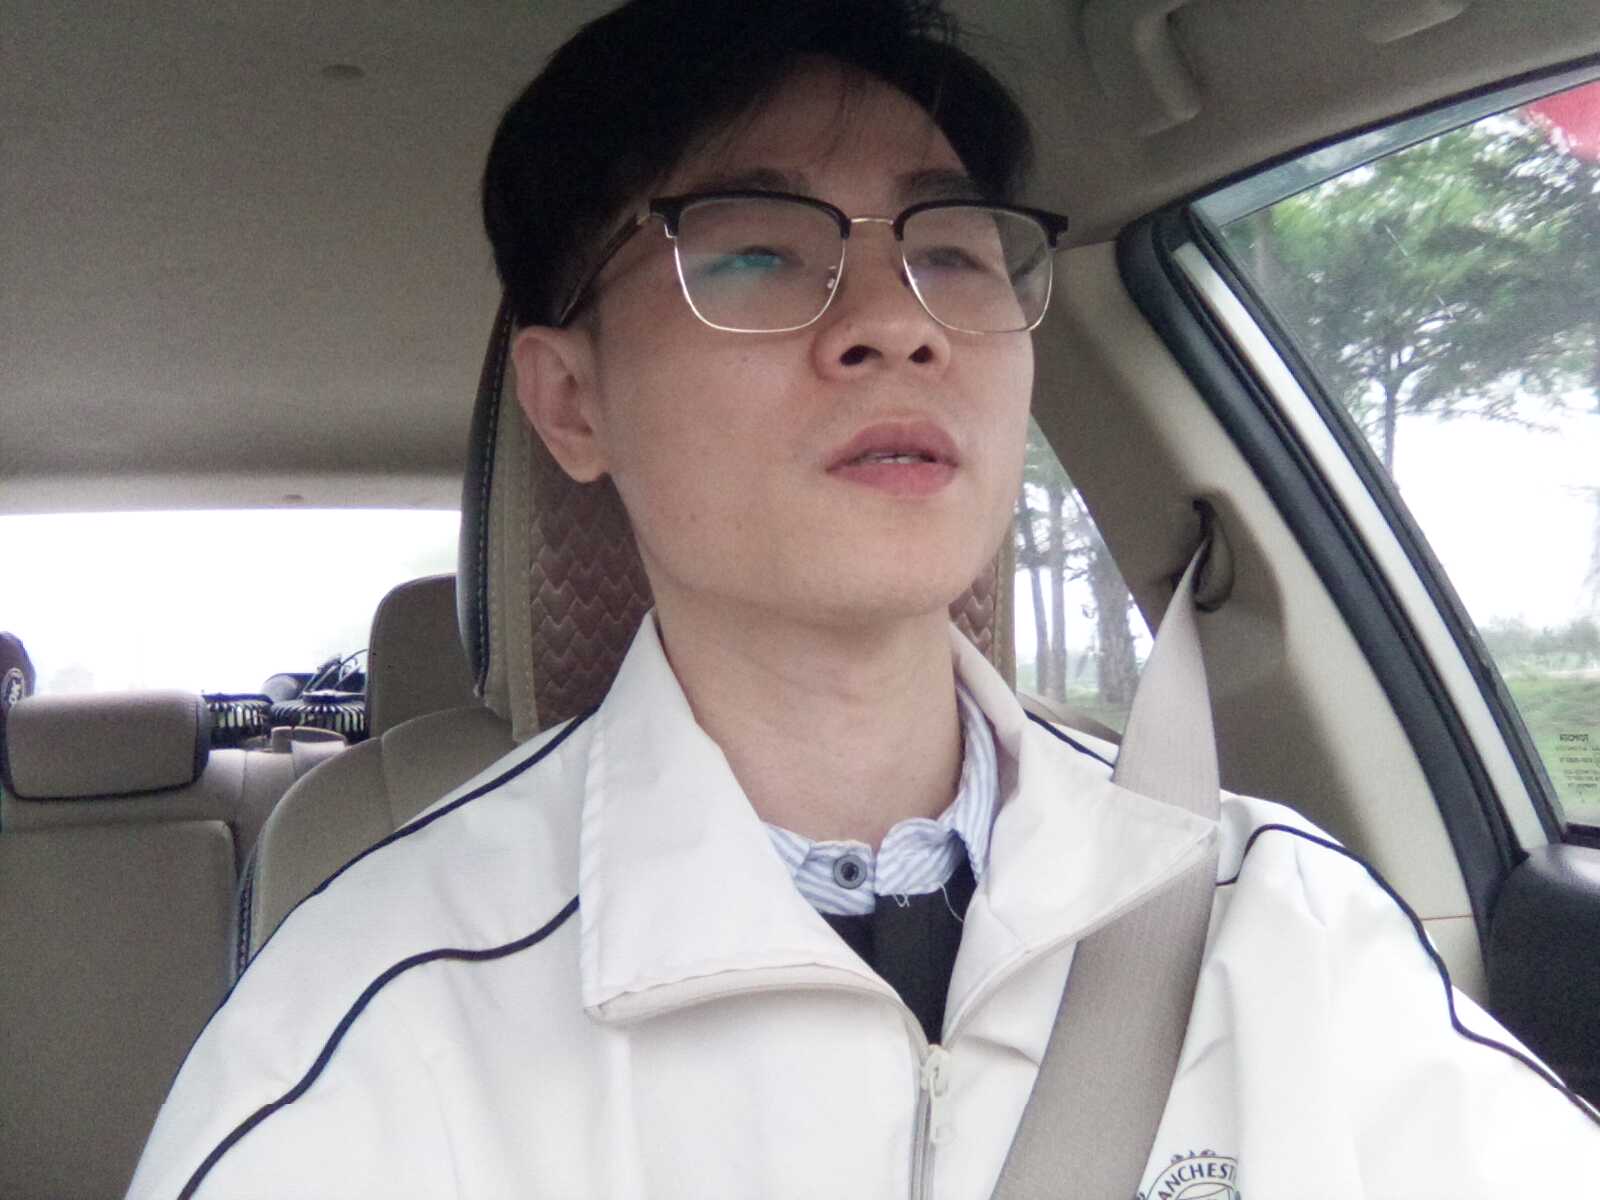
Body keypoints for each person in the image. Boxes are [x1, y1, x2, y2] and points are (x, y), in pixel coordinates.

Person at [128, 1, 1600, 1197]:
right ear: (572, 401)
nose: (897, 324)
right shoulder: (378, 1022)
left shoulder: (1273, 919)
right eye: (756, 251)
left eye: (951, 250)